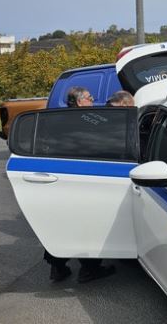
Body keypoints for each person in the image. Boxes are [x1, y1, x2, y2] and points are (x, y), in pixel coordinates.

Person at [42, 86, 116, 283]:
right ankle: (90, 269)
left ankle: (57, 268)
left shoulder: (59, 120)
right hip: (84, 180)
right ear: (81, 101)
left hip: (59, 181)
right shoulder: (89, 120)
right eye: (90, 98)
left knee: (61, 225)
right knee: (88, 224)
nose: (93, 101)